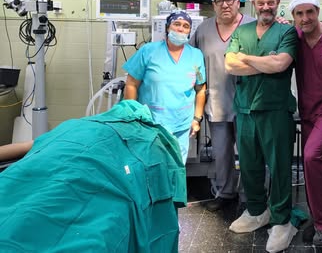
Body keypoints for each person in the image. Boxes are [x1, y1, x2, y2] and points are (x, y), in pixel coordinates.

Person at [0, 99, 186, 252]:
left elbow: (25, 146)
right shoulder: (150, 139)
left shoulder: (73, 125)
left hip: (81, 173)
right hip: (67, 168)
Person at [225, 0, 298, 253]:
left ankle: (281, 220)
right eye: (261, 3)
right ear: (254, 5)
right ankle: (256, 211)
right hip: (245, 110)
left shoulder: (287, 31)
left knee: (279, 167)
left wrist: (245, 58)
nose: (266, 7)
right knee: (249, 164)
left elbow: (280, 64)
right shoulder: (242, 30)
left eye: (271, 2)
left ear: (277, 3)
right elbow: (229, 65)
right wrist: (264, 62)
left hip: (275, 110)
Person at [190, 0, 255, 212]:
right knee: (221, 153)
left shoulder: (253, 26)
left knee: (249, 154)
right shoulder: (204, 30)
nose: (225, 4)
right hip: (217, 102)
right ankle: (225, 193)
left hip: (249, 103)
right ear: (213, 5)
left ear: (238, 2)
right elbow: (191, 60)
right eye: (219, 1)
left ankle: (250, 196)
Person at [287, 0, 322, 246]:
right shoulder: (294, 37)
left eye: (310, 11)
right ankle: (318, 216)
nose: (305, 17)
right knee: (313, 167)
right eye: (299, 13)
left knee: (310, 156)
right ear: (294, 16)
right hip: (307, 111)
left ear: (318, 12)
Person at [123, 10, 206, 164]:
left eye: (186, 26)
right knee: (151, 166)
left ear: (189, 31)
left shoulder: (196, 55)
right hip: (151, 123)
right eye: (176, 24)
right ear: (168, 27)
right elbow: (131, 84)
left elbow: (201, 89)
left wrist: (196, 119)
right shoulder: (149, 51)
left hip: (182, 124)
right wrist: (132, 116)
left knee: (176, 167)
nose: (180, 28)